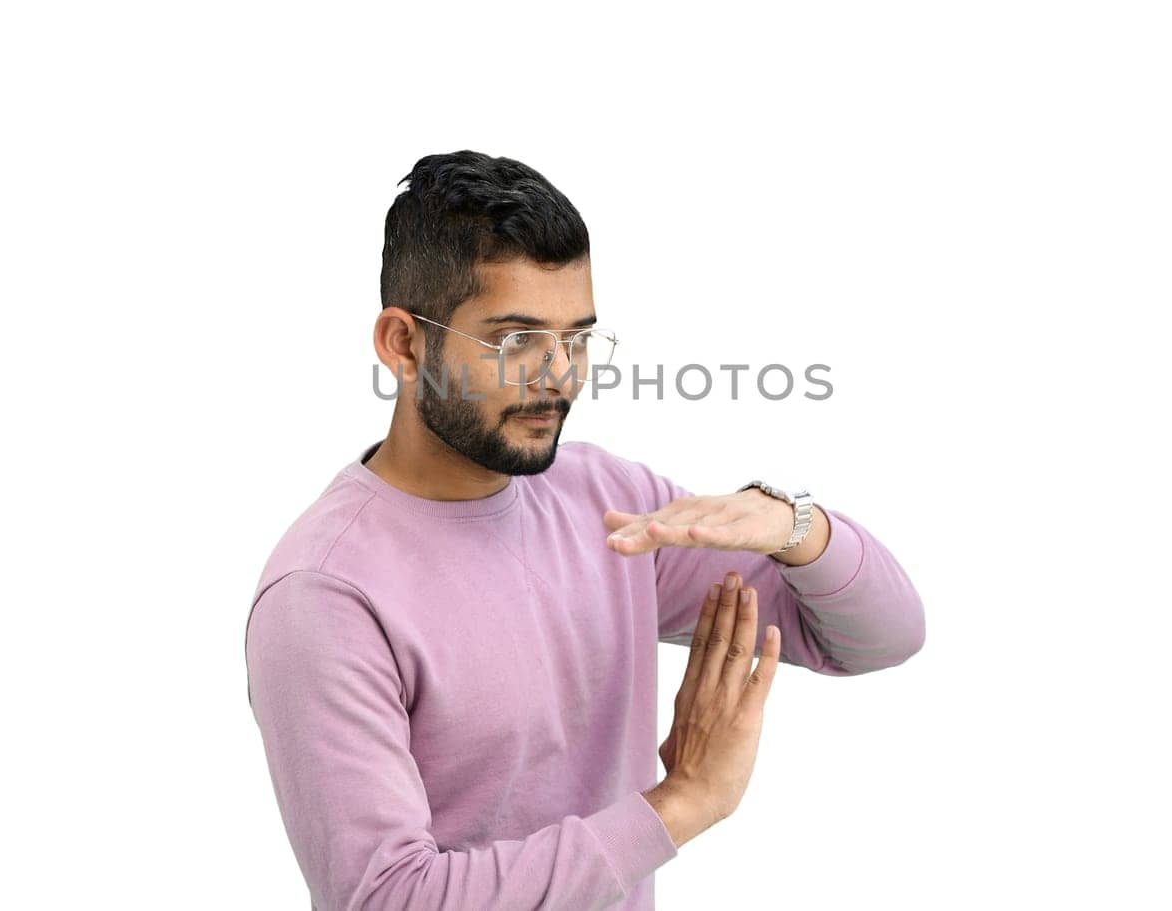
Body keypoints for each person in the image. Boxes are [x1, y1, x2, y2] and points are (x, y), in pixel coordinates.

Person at [243, 150, 926, 909]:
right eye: (515, 341)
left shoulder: (609, 502)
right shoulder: (326, 592)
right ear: (404, 344)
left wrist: (797, 526)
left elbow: (873, 636)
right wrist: (683, 803)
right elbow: (388, 898)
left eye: (577, 339)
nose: (560, 375)